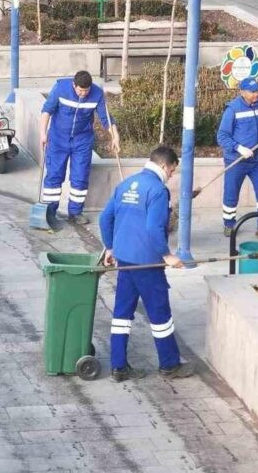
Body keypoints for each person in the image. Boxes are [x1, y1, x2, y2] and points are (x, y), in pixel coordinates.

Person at [99, 146, 195, 382]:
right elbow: (153, 228)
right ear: (164, 166)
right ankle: (169, 364)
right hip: (147, 264)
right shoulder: (158, 191)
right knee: (160, 313)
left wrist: (110, 247)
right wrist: (167, 255)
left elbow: (105, 217)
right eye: (172, 170)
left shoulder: (126, 184)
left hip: (125, 261)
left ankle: (118, 366)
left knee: (122, 313)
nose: (172, 175)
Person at [40, 70, 120, 228]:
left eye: (86, 90)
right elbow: (47, 110)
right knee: (54, 175)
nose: (83, 93)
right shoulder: (61, 89)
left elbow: (106, 118)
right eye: (80, 90)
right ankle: (50, 211)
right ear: (73, 85)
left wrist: (115, 136)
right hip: (58, 139)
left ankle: (75, 212)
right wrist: (42, 133)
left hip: (82, 141)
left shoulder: (96, 93)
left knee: (80, 176)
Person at [217, 77, 258, 237]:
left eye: (257, 90)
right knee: (231, 192)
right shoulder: (233, 109)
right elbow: (222, 136)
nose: (256, 94)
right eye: (252, 92)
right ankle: (229, 224)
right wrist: (239, 148)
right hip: (236, 160)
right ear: (242, 92)